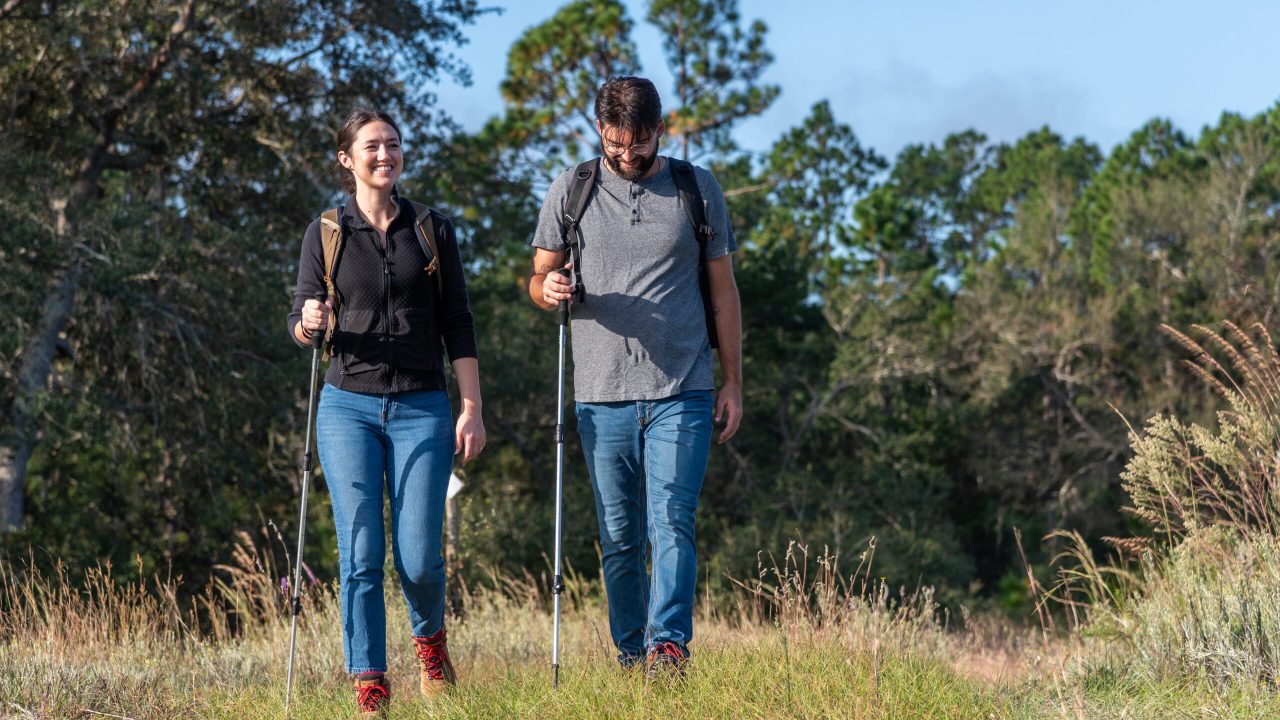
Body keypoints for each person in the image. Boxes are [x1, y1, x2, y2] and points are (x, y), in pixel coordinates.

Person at [527, 76, 743, 678]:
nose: (628, 155)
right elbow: (538, 278)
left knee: (671, 519)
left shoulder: (695, 190)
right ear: (600, 129)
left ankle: (667, 649)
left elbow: (723, 293)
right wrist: (550, 289)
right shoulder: (571, 191)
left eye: (640, 143)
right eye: (617, 144)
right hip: (600, 395)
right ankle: (631, 655)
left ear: (661, 128)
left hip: (683, 386)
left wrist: (732, 382)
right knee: (620, 537)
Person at [287, 108, 485, 718]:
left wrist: (471, 406)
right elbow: (300, 319)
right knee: (362, 550)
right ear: (347, 160)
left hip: (423, 405)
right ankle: (370, 684)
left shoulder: (431, 229)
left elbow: (458, 322)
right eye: (372, 146)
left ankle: (431, 646)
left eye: (393, 146)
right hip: (346, 405)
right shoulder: (326, 231)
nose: (386, 155)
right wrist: (309, 324)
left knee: (419, 552)